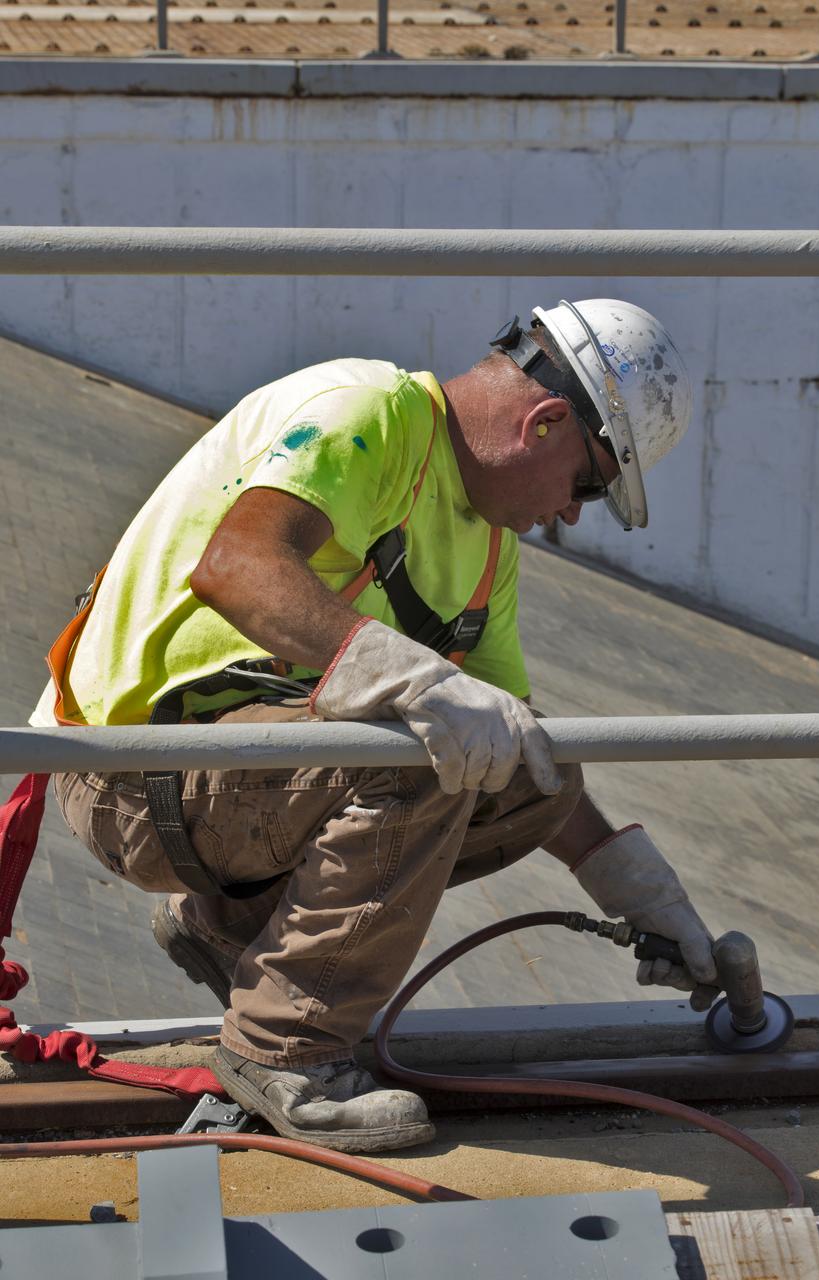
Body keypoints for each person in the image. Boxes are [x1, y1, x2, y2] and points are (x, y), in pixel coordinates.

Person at [31, 298, 718, 1154]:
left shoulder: (487, 549)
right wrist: (414, 680)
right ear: (544, 423)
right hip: (132, 774)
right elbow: (238, 566)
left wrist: (642, 893)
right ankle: (284, 1050)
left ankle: (228, 927)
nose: (571, 514)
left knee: (522, 767)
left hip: (233, 786)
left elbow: (513, 755)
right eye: (587, 484)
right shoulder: (369, 414)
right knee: (425, 749)